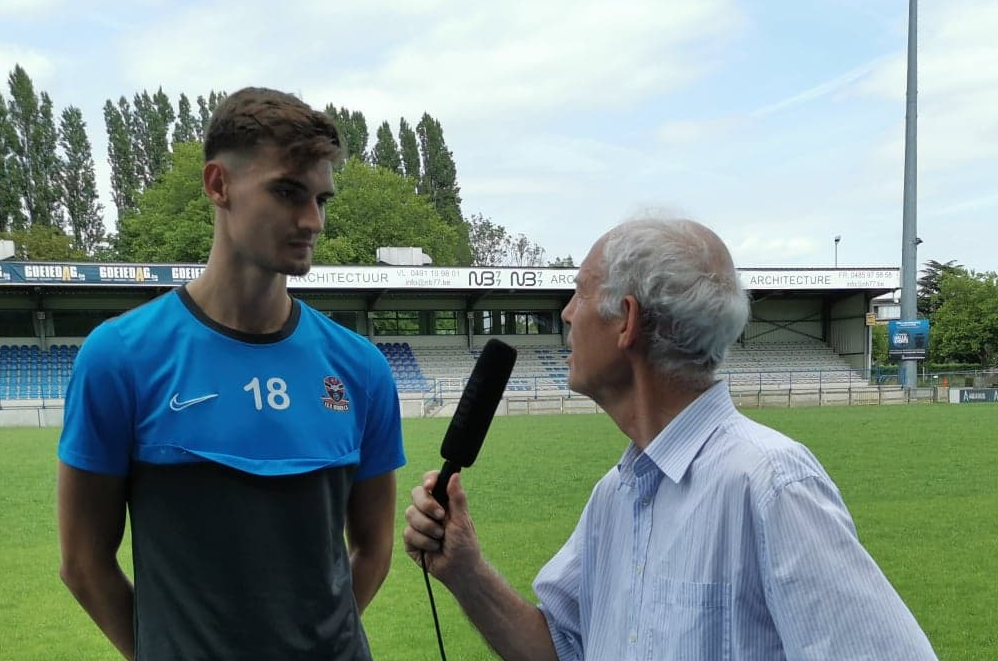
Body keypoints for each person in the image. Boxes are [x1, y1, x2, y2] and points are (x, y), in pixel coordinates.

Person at [403, 217, 937, 660]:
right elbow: (560, 649)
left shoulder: (771, 484)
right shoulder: (612, 496)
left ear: (626, 321)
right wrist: (467, 573)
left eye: (579, 291)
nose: (566, 312)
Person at [58, 87, 405, 660]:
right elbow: (83, 564)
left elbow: (374, 545)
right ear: (218, 185)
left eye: (322, 200)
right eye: (289, 192)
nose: (312, 220)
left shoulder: (360, 368)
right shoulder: (119, 358)